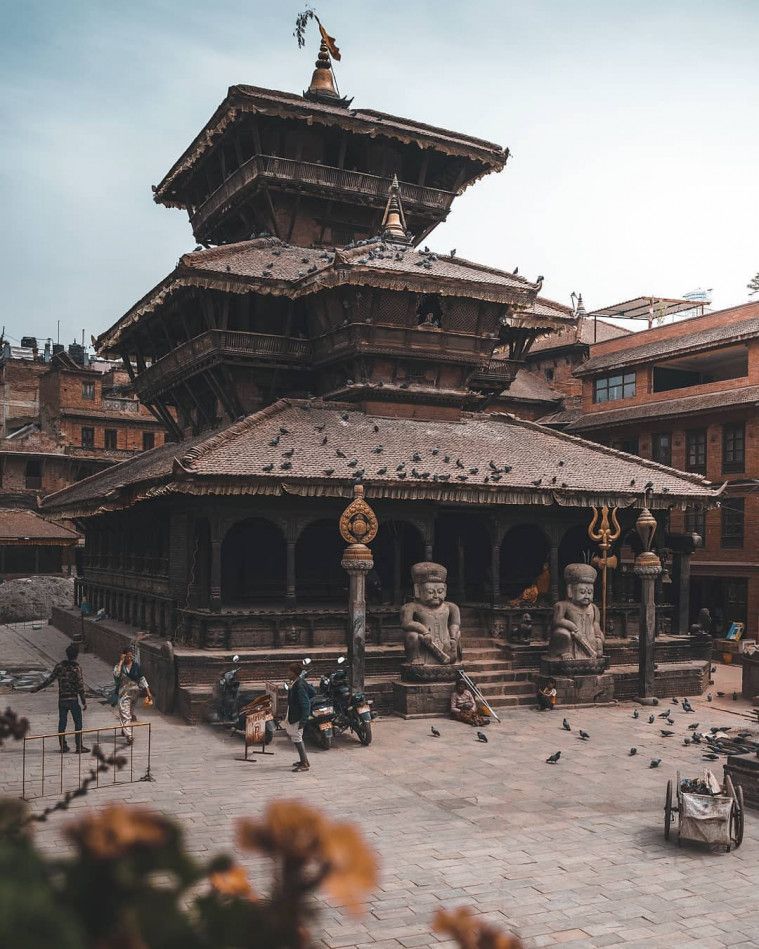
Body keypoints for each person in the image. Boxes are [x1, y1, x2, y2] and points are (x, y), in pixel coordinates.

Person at [32, 642, 90, 754]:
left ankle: (63, 746)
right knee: (78, 723)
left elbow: (49, 680)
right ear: (76, 655)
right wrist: (84, 701)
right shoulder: (76, 668)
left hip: (62, 699)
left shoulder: (59, 667)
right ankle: (79, 746)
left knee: (62, 723)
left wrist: (37, 688)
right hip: (73, 699)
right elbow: (80, 686)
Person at [113, 645, 153, 745]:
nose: (129, 658)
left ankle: (124, 729)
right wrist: (121, 661)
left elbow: (142, 678)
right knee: (125, 712)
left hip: (134, 693)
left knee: (129, 713)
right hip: (124, 693)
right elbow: (116, 674)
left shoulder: (135, 666)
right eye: (127, 656)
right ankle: (129, 736)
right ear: (123, 656)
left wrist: (148, 692)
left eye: (131, 656)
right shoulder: (120, 666)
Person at [285, 662, 313, 772]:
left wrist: (303, 720)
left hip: (298, 716)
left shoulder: (299, 685)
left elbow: (305, 704)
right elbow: (312, 692)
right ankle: (303, 760)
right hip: (293, 713)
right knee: (295, 736)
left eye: (289, 671)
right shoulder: (296, 682)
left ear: (294, 673)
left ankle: (304, 763)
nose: (287, 673)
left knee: (297, 738)